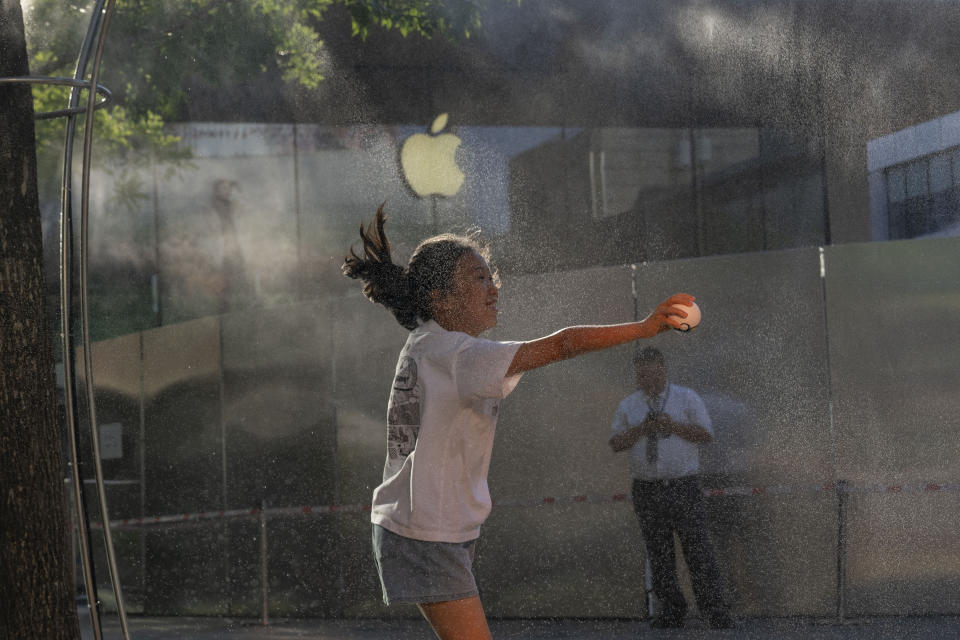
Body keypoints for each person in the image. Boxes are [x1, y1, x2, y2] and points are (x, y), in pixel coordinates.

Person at [342, 204, 694, 640]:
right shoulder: (456, 354)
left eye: (492, 277)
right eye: (477, 278)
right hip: (427, 534)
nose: (493, 288)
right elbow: (563, 344)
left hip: (424, 528)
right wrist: (642, 329)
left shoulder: (430, 345)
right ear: (440, 297)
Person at [608, 346, 734, 629]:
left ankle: (715, 610)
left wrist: (673, 426)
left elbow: (705, 435)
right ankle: (672, 610)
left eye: (653, 372)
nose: (648, 379)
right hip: (647, 489)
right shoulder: (629, 405)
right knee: (659, 553)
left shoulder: (686, 398)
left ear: (663, 370)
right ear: (637, 375)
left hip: (683, 485)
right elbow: (616, 443)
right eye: (642, 374)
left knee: (698, 549)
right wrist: (642, 429)